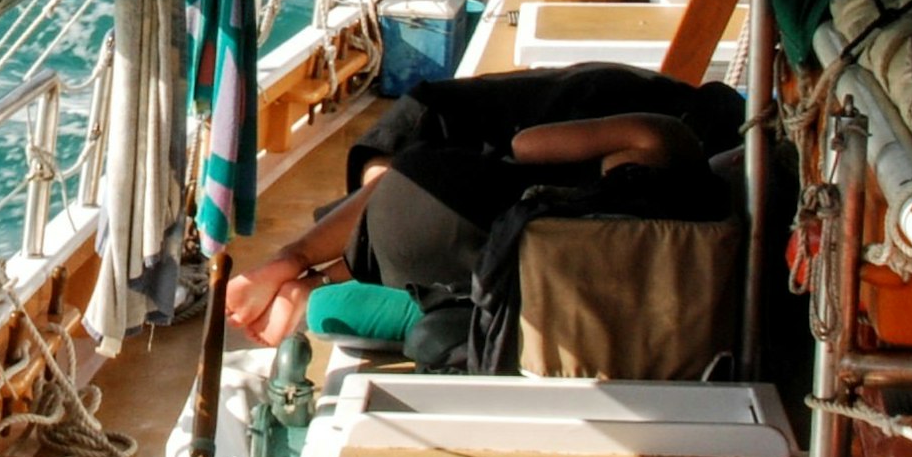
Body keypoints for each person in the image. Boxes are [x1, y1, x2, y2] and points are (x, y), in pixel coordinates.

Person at [222, 63, 743, 345]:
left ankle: (290, 265)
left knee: (431, 158)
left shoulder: (656, 126)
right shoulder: (687, 234)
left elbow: (525, 145)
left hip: (434, 206)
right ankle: (311, 284)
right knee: (431, 195)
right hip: (484, 260)